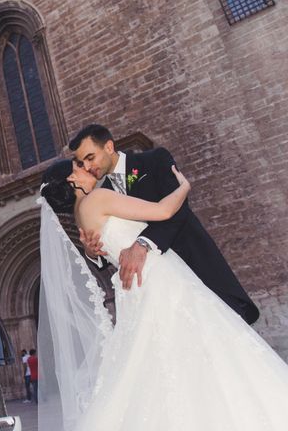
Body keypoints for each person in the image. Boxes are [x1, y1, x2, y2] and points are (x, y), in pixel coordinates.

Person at [36, 158, 288, 430]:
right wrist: (183, 186)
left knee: (162, 356)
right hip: (158, 278)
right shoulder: (96, 198)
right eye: (79, 167)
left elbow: (106, 248)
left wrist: (90, 252)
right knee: (201, 345)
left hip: (136, 286)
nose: (88, 168)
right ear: (72, 181)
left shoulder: (79, 216)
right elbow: (163, 211)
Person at [69, 124, 259, 324]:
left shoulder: (153, 160)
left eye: (90, 158)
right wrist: (93, 253)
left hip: (196, 267)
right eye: (83, 162)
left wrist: (142, 243)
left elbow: (178, 212)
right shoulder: (104, 193)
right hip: (158, 291)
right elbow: (116, 245)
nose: (88, 167)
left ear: (108, 147)